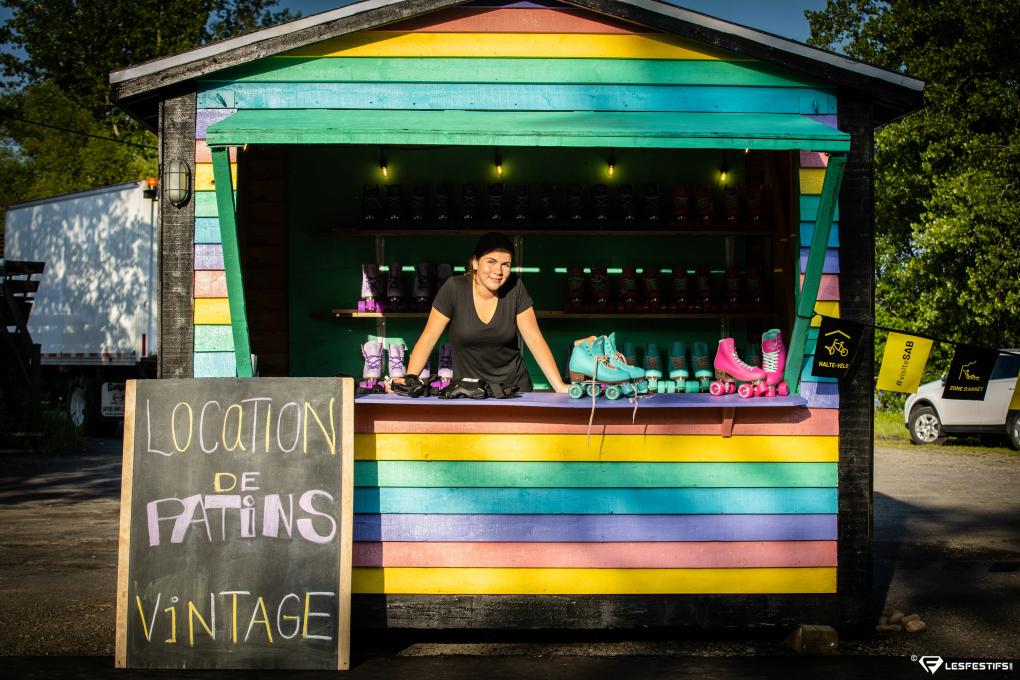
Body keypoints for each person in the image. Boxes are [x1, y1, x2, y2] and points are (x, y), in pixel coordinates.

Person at [396, 232, 569, 393]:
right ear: (475, 262)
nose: (498, 271)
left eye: (505, 265)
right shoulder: (453, 288)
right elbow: (428, 339)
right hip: (469, 392)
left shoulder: (515, 288)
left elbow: (534, 339)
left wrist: (559, 386)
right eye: (491, 262)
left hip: (514, 391)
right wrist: (410, 380)